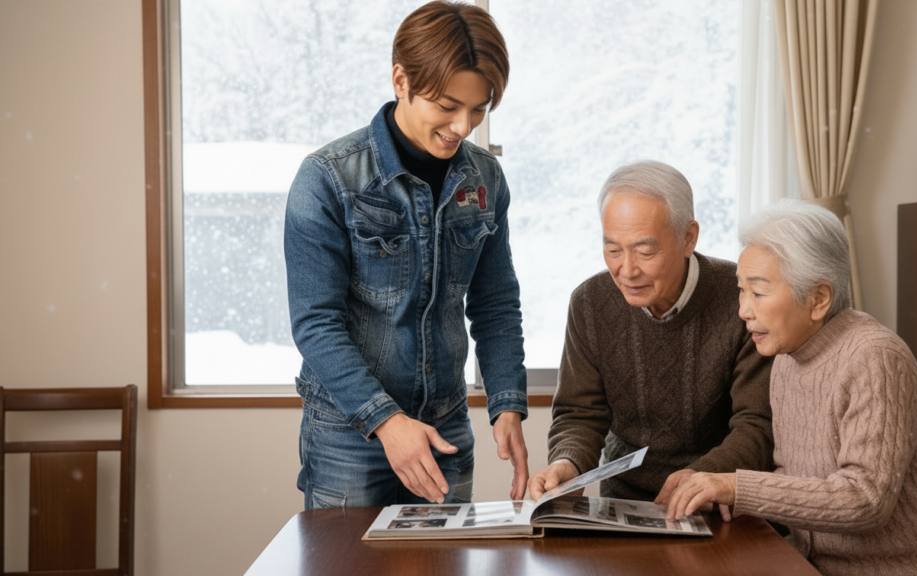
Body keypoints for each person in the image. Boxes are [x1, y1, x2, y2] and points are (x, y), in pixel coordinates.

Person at [284, 1, 529, 509]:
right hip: (350, 435)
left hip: (446, 428)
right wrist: (387, 422)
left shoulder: (485, 180)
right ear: (401, 81)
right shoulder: (328, 178)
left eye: (479, 108)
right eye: (446, 105)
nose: (463, 125)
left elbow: (495, 303)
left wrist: (507, 405)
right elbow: (315, 325)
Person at [664, 199, 917, 576]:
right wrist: (728, 498)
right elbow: (797, 477)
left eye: (758, 293)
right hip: (806, 563)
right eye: (741, 291)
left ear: (819, 299)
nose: (743, 309)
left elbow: (864, 499)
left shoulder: (875, 358)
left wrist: (737, 487)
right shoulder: (787, 358)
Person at [527, 160, 774, 503]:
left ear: (688, 238)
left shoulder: (741, 299)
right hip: (622, 500)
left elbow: (757, 422)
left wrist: (705, 477)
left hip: (716, 498)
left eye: (645, 251)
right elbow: (580, 412)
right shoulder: (589, 302)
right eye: (612, 250)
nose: (626, 270)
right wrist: (567, 464)